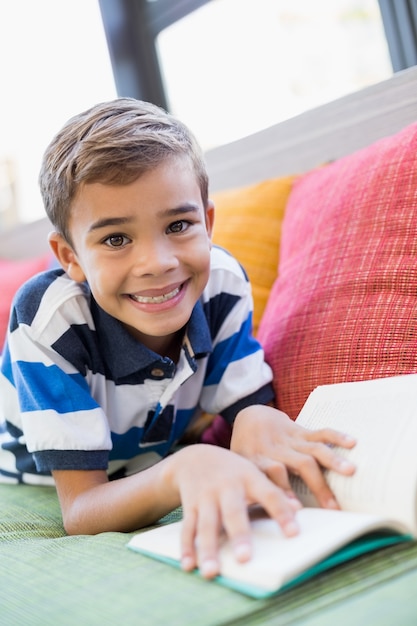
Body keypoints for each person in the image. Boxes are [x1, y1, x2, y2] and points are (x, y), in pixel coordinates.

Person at [0, 98, 356, 579]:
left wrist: (255, 416)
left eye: (178, 225)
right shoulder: (50, 321)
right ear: (71, 256)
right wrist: (179, 470)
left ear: (208, 223)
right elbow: (81, 509)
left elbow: (245, 400)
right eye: (115, 239)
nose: (158, 262)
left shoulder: (223, 282)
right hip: (37, 472)